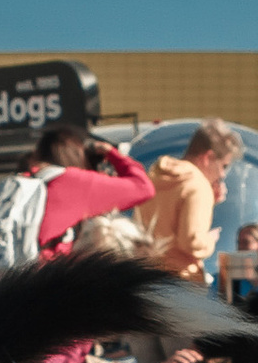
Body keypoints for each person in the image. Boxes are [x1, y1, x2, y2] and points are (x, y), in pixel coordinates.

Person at [28, 118, 155, 255]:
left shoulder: (26, 179)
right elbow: (143, 187)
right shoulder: (74, 181)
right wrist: (110, 152)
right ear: (76, 153)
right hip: (46, 270)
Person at [143, 121, 240, 281]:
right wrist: (210, 240)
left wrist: (209, 203)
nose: (223, 175)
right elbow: (191, 241)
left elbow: (167, 220)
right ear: (208, 157)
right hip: (180, 282)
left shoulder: (156, 176)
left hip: (147, 276)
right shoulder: (198, 186)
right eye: (224, 166)